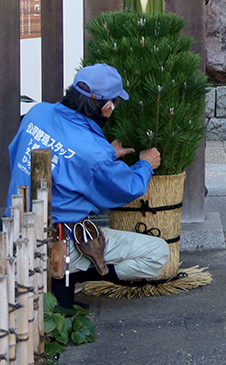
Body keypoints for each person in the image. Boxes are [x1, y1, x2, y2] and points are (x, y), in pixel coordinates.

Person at [6, 64, 168, 308]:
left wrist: (104, 157)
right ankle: (66, 276)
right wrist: (145, 164)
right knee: (158, 254)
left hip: (15, 228)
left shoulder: (37, 114)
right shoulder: (94, 152)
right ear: (107, 108)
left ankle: (61, 279)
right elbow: (127, 189)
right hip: (58, 239)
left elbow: (35, 157)